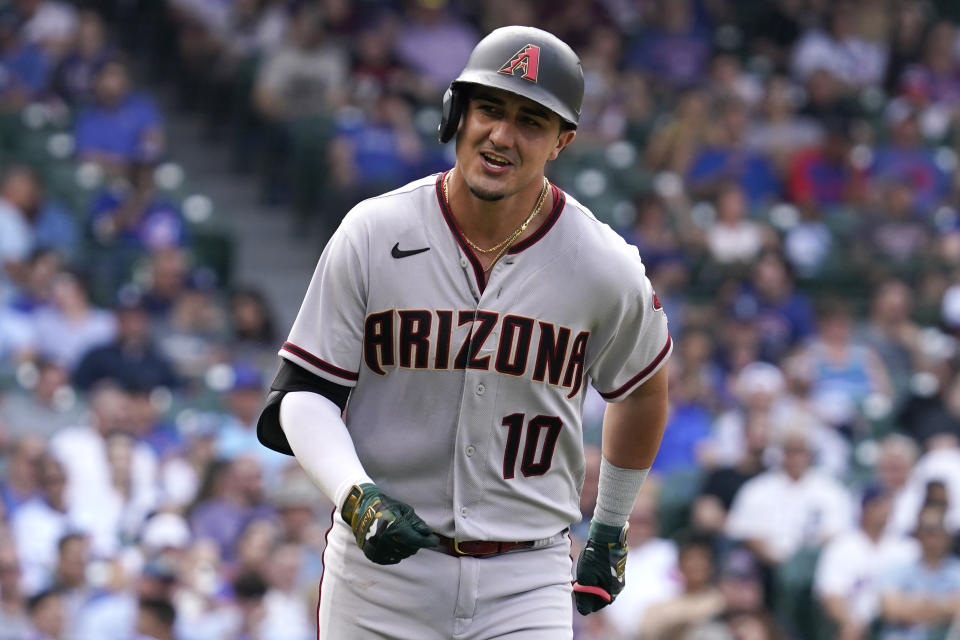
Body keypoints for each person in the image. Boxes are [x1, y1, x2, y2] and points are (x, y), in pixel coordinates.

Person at [256, 26, 671, 639]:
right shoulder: (374, 231)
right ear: (458, 112)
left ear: (563, 141)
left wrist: (610, 522)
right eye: (490, 109)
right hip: (381, 578)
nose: (502, 135)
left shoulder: (602, 264)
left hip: (526, 577)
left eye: (531, 121)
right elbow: (303, 393)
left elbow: (640, 388)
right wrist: (354, 494)